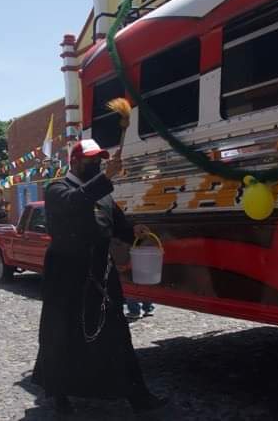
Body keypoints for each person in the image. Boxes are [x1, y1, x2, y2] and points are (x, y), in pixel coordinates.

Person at [31, 139, 168, 415]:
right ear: (74, 162)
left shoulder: (105, 195)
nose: (96, 165)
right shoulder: (57, 189)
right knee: (60, 334)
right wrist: (105, 178)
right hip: (66, 277)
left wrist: (134, 233)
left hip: (101, 274)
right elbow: (75, 203)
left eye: (100, 161)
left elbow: (118, 226)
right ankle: (58, 392)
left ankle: (138, 397)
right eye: (91, 161)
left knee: (118, 333)